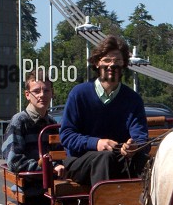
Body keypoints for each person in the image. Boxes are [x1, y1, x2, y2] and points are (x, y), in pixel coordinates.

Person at [59, 35, 149, 186]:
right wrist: (96, 143)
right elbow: (67, 135)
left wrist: (134, 147)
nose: (111, 66)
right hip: (80, 162)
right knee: (105, 158)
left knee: (144, 161)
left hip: (118, 159)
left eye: (117, 61)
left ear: (124, 65)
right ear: (96, 63)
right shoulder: (79, 94)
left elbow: (141, 138)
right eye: (107, 60)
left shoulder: (133, 99)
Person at [1, 71, 63, 205]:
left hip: (51, 190)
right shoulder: (19, 121)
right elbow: (14, 161)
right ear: (27, 95)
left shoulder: (52, 124)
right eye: (36, 91)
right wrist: (50, 168)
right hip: (29, 192)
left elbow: (59, 156)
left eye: (46, 90)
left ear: (52, 93)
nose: (42, 95)